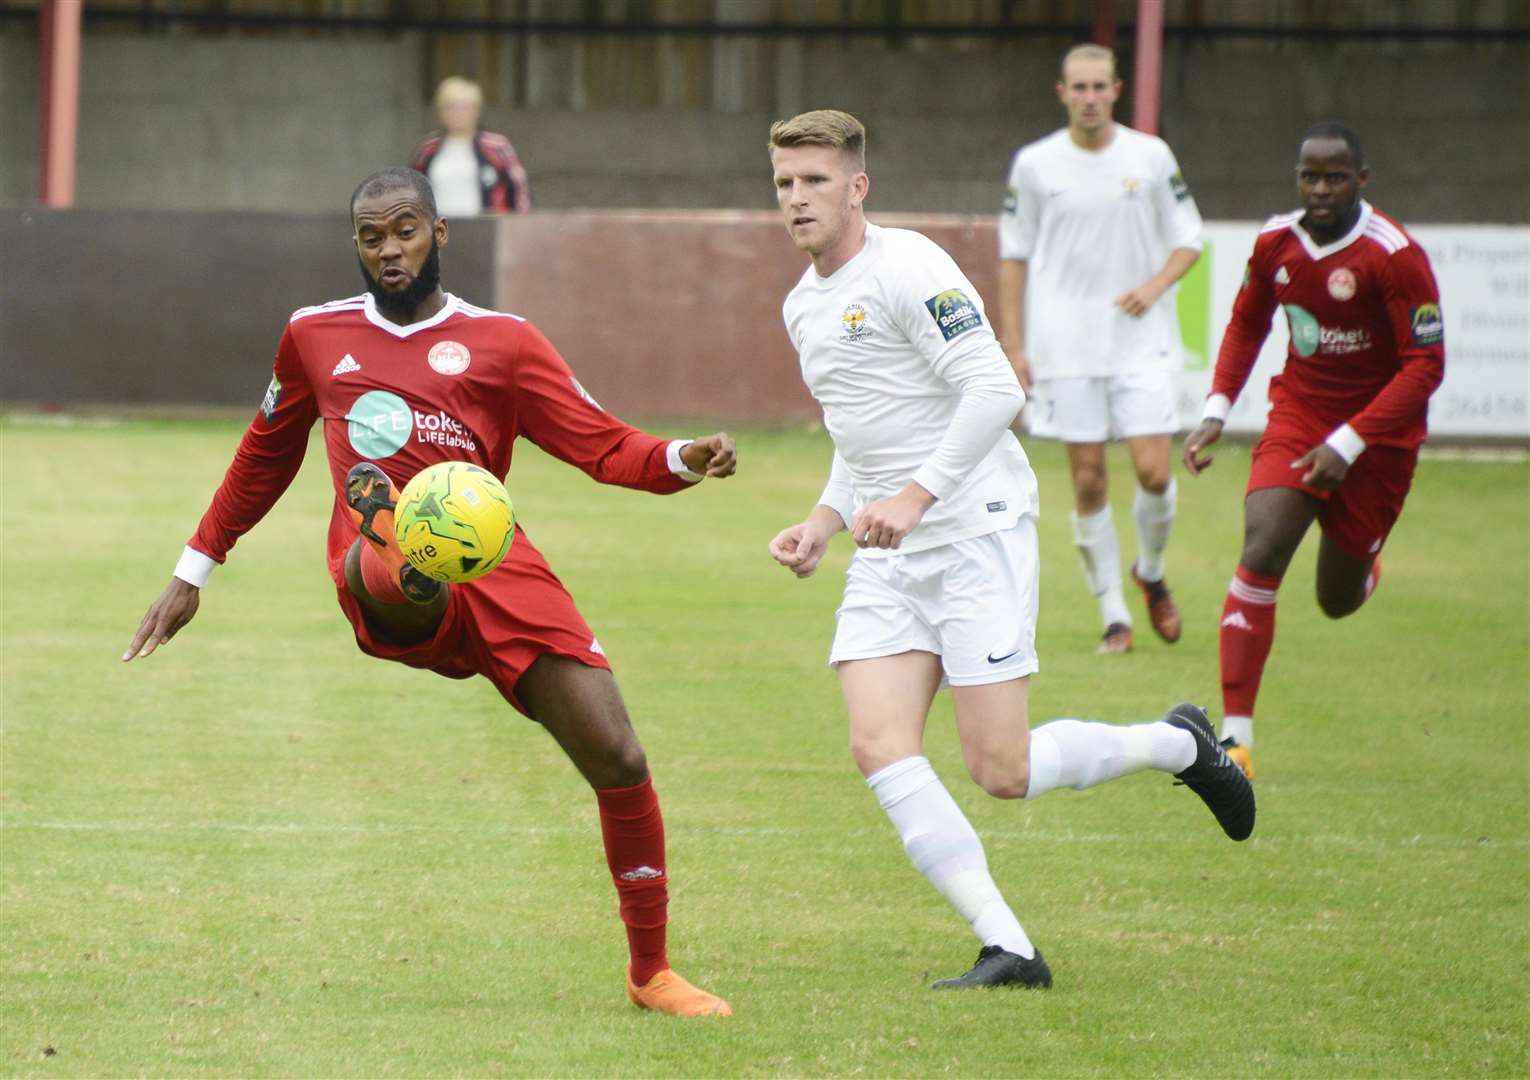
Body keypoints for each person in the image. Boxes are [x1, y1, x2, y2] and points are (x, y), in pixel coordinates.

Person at [122, 167, 735, 1018]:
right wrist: (195, 570)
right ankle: (406, 574)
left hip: (497, 565)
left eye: (404, 230)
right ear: (357, 247)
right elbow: (265, 453)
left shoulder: (506, 342)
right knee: (388, 557)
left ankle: (652, 972)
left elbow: (603, 446)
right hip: (380, 557)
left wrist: (680, 458)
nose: (388, 249)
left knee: (619, 756)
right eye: (371, 237)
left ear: (440, 234)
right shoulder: (312, 335)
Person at [765, 109, 1254, 990]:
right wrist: (824, 522)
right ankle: (1011, 947)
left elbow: (994, 388)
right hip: (891, 551)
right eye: (785, 184)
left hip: (974, 527)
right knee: (879, 743)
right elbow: (864, 434)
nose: (797, 200)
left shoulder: (911, 268)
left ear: (857, 186)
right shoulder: (803, 305)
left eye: (815, 182)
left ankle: (1180, 746)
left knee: (1003, 769)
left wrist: (916, 497)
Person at [1183, 122, 1445, 779]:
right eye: (1309, 176)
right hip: (1300, 415)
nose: (1320, 189)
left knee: (1336, 598)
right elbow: (1247, 322)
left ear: (1362, 179)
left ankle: (1363, 568)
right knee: (1263, 544)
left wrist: (1352, 441)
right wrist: (1217, 407)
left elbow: (1425, 366)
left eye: (1334, 177)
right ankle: (1236, 739)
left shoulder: (1394, 254)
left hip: (1379, 438)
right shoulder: (1277, 242)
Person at [998, 44, 1204, 655]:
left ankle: (1152, 569)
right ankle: (1115, 614)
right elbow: (1014, 254)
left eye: (1099, 87)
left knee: (1154, 471)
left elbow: (1188, 238)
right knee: (1088, 479)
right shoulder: (1035, 165)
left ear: (1116, 89)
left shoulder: (1150, 155)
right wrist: (1014, 344)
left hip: (1140, 342)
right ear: (1061, 93)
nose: (1089, 97)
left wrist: (1153, 286)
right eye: (1077, 87)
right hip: (1064, 344)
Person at [412, 76, 531, 217]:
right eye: (450, 107)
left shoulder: (496, 146)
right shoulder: (428, 148)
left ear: (477, 110)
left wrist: (518, 224)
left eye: (464, 107)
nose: (457, 114)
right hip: (439, 230)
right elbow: (413, 192)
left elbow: (519, 189)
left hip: (487, 230)